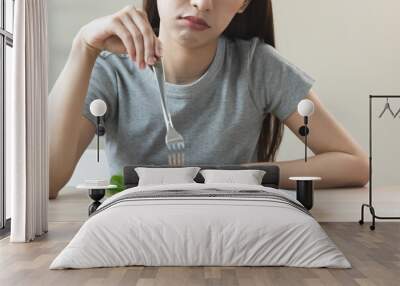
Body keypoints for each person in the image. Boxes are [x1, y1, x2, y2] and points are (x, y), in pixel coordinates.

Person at [49, 0, 368, 199]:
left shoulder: (258, 66)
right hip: (131, 235)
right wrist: (83, 47)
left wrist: (247, 173)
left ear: (243, 3)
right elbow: (44, 182)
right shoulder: (110, 71)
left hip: (235, 235)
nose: (202, 3)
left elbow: (354, 164)